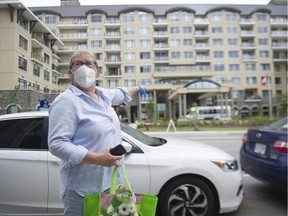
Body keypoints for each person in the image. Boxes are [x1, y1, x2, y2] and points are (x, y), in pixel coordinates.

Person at [48, 50, 146, 216]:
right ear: (70, 72)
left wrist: (138, 87)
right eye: (78, 63)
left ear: (97, 71)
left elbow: (121, 92)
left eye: (89, 63)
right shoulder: (67, 101)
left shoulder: (103, 95)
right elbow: (57, 144)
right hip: (82, 188)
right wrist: (98, 159)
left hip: (109, 183)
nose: (84, 67)